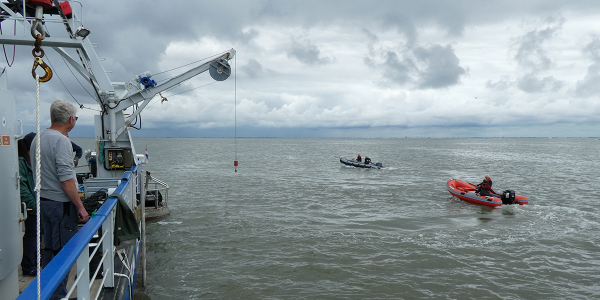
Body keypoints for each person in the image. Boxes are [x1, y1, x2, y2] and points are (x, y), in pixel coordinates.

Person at [30, 100, 89, 300]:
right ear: (71, 119)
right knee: (63, 254)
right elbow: (66, 179)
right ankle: (57, 296)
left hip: (44, 202)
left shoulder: (38, 137)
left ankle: (46, 290)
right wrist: (80, 207)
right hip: (60, 206)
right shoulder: (61, 141)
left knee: (50, 249)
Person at [18, 133, 38, 276]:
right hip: (31, 206)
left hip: (36, 204)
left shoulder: (30, 160)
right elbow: (22, 185)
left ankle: (35, 261)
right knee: (32, 234)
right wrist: (32, 203)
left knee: (37, 234)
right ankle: (28, 265)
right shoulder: (21, 162)